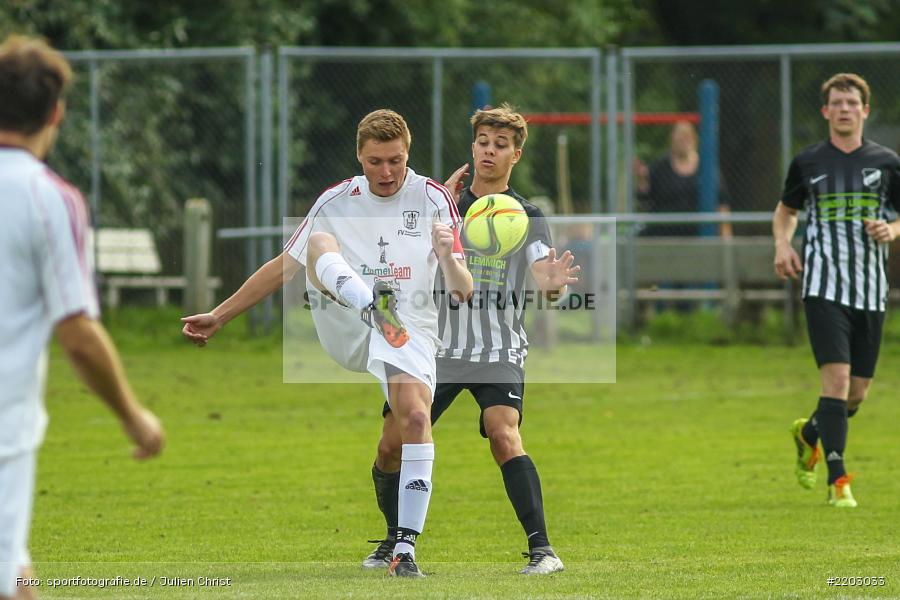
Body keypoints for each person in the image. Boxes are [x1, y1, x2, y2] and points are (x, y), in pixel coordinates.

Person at [182, 109, 472, 577]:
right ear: (359, 154)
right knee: (317, 241)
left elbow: (462, 288)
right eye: (375, 161)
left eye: (395, 161)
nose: (386, 172)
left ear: (408, 153)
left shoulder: (434, 197)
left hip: (408, 324)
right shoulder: (336, 200)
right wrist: (219, 315)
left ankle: (404, 550)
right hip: (347, 316)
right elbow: (285, 266)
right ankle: (369, 305)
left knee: (413, 421)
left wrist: (447, 255)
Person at [362, 104, 579, 575]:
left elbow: (545, 275)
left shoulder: (527, 215)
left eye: (501, 145)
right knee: (389, 447)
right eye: (483, 141)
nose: (489, 150)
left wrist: (555, 283)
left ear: (515, 155)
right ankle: (393, 543)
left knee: (504, 434)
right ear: (473, 145)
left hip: (497, 347)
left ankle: (543, 550)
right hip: (433, 349)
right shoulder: (442, 203)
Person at [0, 35, 165, 600]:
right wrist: (133, 416)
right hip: (4, 428)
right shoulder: (48, 198)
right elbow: (78, 334)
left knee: (17, 579)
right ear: (56, 113)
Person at [774, 73, 900, 508]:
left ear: (865, 111)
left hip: (870, 288)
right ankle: (839, 479)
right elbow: (786, 210)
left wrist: (892, 228)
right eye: (837, 103)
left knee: (857, 392)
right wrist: (782, 243)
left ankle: (808, 433)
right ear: (826, 112)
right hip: (822, 285)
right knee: (838, 378)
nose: (844, 109)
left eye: (852, 103)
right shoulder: (808, 161)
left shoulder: (887, 162)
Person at [635, 120, 732, 237]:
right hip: (663, 234)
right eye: (679, 136)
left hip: (698, 234)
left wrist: (726, 238)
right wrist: (642, 180)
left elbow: (722, 203)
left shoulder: (707, 168)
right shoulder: (660, 166)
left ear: (694, 139)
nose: (682, 140)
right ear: (671, 139)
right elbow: (644, 201)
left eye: (686, 136)